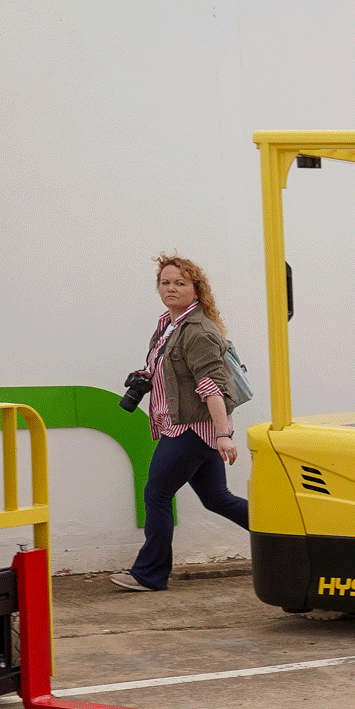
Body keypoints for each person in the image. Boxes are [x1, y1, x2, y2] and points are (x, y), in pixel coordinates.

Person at [113, 254, 250, 593]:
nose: (171, 288)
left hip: (193, 429)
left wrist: (222, 435)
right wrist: (148, 375)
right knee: (217, 498)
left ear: (196, 290)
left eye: (180, 283)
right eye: (165, 282)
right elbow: (175, 372)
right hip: (191, 428)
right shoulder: (168, 323)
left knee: (157, 493)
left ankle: (149, 574)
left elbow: (212, 385)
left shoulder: (198, 331)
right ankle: (286, 536)